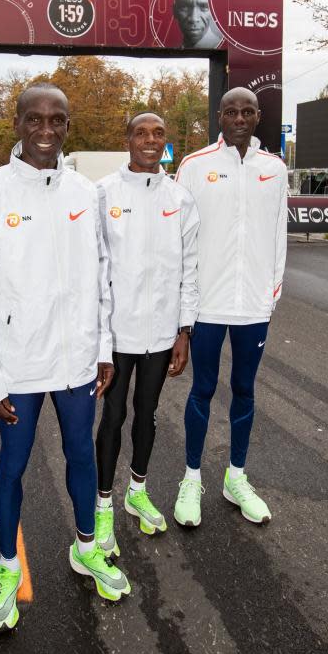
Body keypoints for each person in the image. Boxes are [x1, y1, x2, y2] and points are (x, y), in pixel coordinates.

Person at [0, 83, 131, 633]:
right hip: (18, 366)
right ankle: (8, 567)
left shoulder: (85, 192)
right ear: (16, 123)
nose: (47, 130)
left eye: (57, 119)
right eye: (35, 119)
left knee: (83, 456)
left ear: (67, 124)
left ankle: (85, 547)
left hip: (77, 360)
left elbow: (102, 278)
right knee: (12, 467)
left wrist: (101, 347)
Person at [173, 87, 288, 527]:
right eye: (231, 111)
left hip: (253, 308)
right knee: (202, 390)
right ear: (219, 117)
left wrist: (270, 294)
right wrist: (184, 308)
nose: (239, 117)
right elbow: (180, 241)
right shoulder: (195, 165)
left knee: (245, 391)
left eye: (247, 111)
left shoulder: (274, 169)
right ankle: (191, 478)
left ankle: (235, 478)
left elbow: (278, 235)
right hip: (207, 305)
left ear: (257, 117)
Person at [94, 113, 199, 557]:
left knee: (147, 413)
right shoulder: (103, 193)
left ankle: (137, 490)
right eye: (141, 133)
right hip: (117, 336)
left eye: (158, 133)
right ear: (128, 140)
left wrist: (184, 330)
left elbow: (190, 267)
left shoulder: (180, 197)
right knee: (112, 417)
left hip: (160, 335)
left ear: (165, 142)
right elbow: (96, 272)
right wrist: (99, 340)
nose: (150, 140)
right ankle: (102, 509)